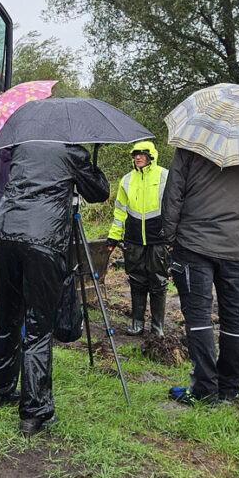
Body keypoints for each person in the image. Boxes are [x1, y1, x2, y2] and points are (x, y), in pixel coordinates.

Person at [0, 143, 110, 437]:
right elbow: (99, 192)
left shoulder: (21, 147)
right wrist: (90, 161)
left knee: (7, 314)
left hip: (4, 233)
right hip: (42, 238)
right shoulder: (71, 150)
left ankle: (0, 390)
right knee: (39, 325)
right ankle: (35, 413)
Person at [160, 148, 239, 405]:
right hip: (236, 245)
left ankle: (204, 389)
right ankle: (230, 387)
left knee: (198, 317)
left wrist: (169, 237)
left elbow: (173, 193)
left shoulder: (191, 145)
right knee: (234, 319)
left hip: (194, 242)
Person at [106, 141, 170, 338]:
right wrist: (113, 238)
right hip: (133, 239)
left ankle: (157, 326)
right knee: (136, 280)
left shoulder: (165, 176)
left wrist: (173, 237)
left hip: (158, 238)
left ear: (151, 156)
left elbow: (176, 206)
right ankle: (137, 323)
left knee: (158, 281)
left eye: (142, 154)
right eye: (135, 154)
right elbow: (119, 212)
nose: (138, 157)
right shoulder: (126, 180)